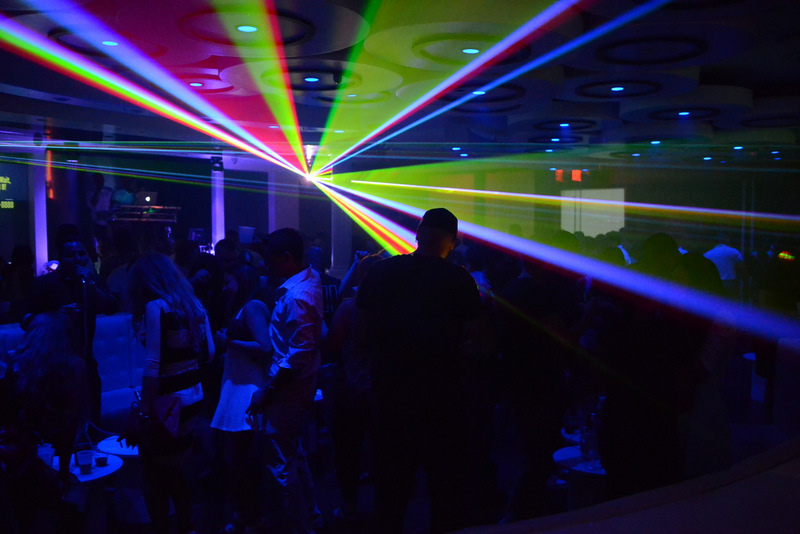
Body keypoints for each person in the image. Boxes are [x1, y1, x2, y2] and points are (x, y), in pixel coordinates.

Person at [356, 208, 493, 533]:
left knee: (390, 492)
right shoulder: (458, 280)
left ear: (417, 234)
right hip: (443, 400)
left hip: (390, 396)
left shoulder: (382, 271)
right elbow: (482, 339)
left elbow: (358, 331)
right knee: (445, 492)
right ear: (454, 242)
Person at [126, 252, 214, 534]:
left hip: (167, 399)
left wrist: (144, 411)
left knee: (156, 474)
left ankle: (164, 527)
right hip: (193, 395)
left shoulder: (157, 307)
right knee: (175, 467)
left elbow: (153, 365)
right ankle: (187, 525)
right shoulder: (194, 305)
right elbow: (210, 354)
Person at [247, 228, 324, 533]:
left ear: (287, 258)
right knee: (294, 455)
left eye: (271, 259)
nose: (266, 265)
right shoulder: (309, 280)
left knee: (280, 465)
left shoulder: (297, 296)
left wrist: (268, 391)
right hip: (298, 387)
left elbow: (297, 355)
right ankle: (312, 516)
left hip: (288, 391)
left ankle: (299, 527)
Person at [0, 311, 87, 533]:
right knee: (75, 504)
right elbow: (69, 427)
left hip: (13, 456)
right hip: (24, 458)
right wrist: (64, 474)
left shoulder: (16, 365)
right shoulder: (74, 367)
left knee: (25, 512)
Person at [23, 233, 116, 427]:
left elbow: (110, 307)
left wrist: (91, 284)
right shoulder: (45, 284)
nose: (77, 259)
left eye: (81, 253)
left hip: (86, 360)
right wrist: (55, 315)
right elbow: (25, 319)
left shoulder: (90, 280)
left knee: (93, 418)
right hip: (54, 363)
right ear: (60, 257)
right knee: (62, 423)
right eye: (71, 255)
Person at [211, 291, 274, 533]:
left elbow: (265, 346)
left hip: (246, 387)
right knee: (239, 458)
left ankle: (252, 517)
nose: (225, 286)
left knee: (242, 460)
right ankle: (246, 514)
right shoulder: (248, 307)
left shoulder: (251, 306)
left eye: (228, 280)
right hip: (239, 383)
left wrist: (228, 342)